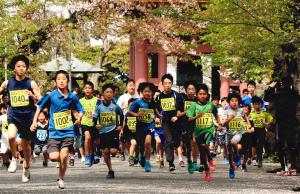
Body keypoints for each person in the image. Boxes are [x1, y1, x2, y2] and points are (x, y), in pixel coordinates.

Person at [30, 70, 84, 189]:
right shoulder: (51, 95)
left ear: (67, 81)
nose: (61, 81)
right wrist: (34, 121)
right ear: (56, 81)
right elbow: (39, 106)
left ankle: (61, 178)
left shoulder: (72, 97)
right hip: (54, 132)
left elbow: (80, 109)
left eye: (64, 79)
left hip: (68, 131)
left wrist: (79, 118)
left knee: (63, 156)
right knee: (54, 157)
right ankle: (63, 163)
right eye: (59, 79)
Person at [0, 55, 41, 183]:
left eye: (24, 66)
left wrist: (32, 95)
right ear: (14, 69)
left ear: (26, 69)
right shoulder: (8, 83)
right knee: (11, 136)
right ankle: (14, 158)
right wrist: (2, 98)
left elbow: (40, 99)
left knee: (26, 147)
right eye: (19, 66)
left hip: (28, 117)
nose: (21, 68)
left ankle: (26, 168)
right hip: (14, 115)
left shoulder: (31, 83)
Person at [187, 83, 221, 182]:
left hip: (209, 130)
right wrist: (196, 117)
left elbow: (216, 114)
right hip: (198, 132)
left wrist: (219, 124)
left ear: (207, 95)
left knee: (205, 144)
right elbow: (189, 119)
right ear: (197, 95)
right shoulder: (194, 106)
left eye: (204, 94)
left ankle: (208, 162)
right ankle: (207, 168)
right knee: (202, 150)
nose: (202, 96)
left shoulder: (210, 105)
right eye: (200, 94)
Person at [93, 84, 124, 179]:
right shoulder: (99, 106)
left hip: (113, 131)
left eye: (111, 92)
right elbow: (94, 118)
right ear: (103, 94)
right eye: (107, 92)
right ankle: (110, 170)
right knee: (106, 151)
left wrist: (120, 125)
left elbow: (122, 115)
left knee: (113, 151)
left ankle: (117, 148)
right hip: (103, 132)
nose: (109, 94)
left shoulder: (115, 106)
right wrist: (96, 125)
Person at [155, 74, 184, 172]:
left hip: (176, 122)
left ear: (172, 84)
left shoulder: (177, 96)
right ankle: (171, 162)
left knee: (175, 142)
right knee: (169, 140)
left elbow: (182, 110)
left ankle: (170, 158)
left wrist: (177, 116)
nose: (167, 85)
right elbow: (156, 110)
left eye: (169, 83)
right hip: (166, 122)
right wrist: (158, 117)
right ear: (162, 84)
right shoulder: (159, 97)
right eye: (165, 83)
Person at [128, 82, 156, 172]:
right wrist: (136, 114)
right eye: (145, 91)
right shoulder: (137, 102)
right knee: (141, 145)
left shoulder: (153, 102)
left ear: (152, 92)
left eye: (149, 91)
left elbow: (156, 112)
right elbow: (129, 112)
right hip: (139, 126)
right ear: (141, 92)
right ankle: (141, 155)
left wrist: (160, 116)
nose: (147, 93)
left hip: (150, 125)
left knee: (148, 143)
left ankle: (147, 162)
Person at [223, 93, 250, 178]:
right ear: (229, 102)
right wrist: (229, 119)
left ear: (238, 102)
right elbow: (223, 123)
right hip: (228, 133)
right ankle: (231, 168)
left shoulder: (241, 110)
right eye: (232, 101)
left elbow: (245, 118)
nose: (234, 102)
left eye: (236, 101)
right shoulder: (226, 111)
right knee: (229, 153)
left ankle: (238, 156)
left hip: (238, 132)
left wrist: (248, 124)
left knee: (233, 142)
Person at [79, 81, 101, 167]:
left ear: (92, 90)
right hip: (84, 122)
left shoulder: (97, 100)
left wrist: (99, 123)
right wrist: (78, 119)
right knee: (87, 138)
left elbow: (100, 111)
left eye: (89, 88)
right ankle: (87, 156)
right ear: (83, 90)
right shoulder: (80, 101)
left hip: (95, 123)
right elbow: (77, 111)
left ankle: (94, 154)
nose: (87, 90)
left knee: (95, 141)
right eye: (86, 88)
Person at [117, 79, 139, 161]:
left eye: (133, 85)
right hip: (124, 120)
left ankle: (133, 156)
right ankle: (122, 152)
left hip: (136, 120)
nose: (132, 87)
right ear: (126, 87)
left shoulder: (138, 97)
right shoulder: (122, 97)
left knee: (135, 139)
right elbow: (117, 109)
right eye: (130, 85)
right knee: (123, 139)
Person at [249, 96, 273, 168]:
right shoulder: (251, 114)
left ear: (261, 104)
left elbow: (271, 118)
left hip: (261, 130)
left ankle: (260, 160)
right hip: (254, 130)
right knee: (254, 145)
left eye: (259, 104)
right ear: (253, 105)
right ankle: (252, 158)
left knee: (260, 144)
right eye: (255, 104)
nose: (257, 106)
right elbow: (248, 122)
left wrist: (267, 123)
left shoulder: (264, 113)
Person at [0, 104, 10, 168]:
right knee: (3, 150)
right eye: (1, 109)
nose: (3, 110)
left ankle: (8, 161)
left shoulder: (10, 116)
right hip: (3, 136)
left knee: (9, 149)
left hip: (10, 135)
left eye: (5, 109)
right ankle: (5, 161)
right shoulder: (0, 117)